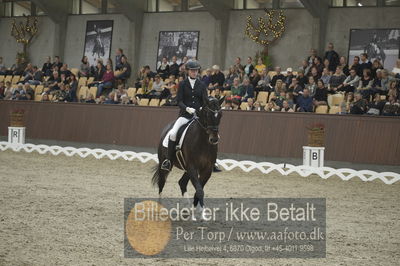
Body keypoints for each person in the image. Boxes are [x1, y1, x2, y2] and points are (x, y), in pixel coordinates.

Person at [160, 60, 208, 171]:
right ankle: (168, 160)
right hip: (185, 116)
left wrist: (201, 108)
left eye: (196, 70)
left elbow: (204, 100)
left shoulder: (202, 85)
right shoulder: (182, 84)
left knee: (212, 134)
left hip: (198, 117)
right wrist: (187, 108)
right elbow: (179, 101)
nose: (195, 72)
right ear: (188, 71)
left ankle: (212, 161)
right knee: (172, 133)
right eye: (192, 70)